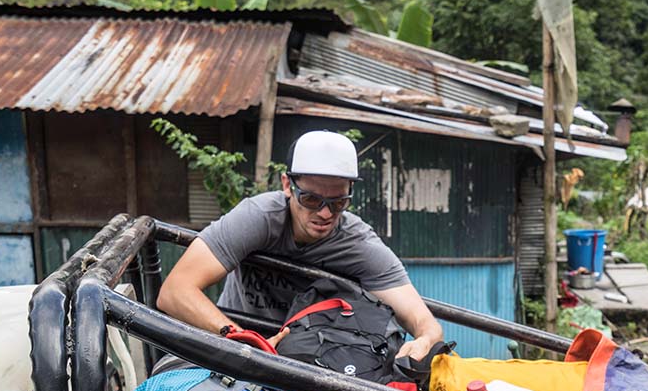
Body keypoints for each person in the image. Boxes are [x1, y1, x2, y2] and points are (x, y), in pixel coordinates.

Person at [158, 131, 443, 360]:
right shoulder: (258, 218)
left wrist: (425, 340)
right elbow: (174, 292)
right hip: (233, 343)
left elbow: (424, 322)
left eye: (338, 202)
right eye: (310, 199)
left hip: (312, 358)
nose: (325, 213)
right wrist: (243, 341)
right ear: (287, 185)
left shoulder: (358, 242)